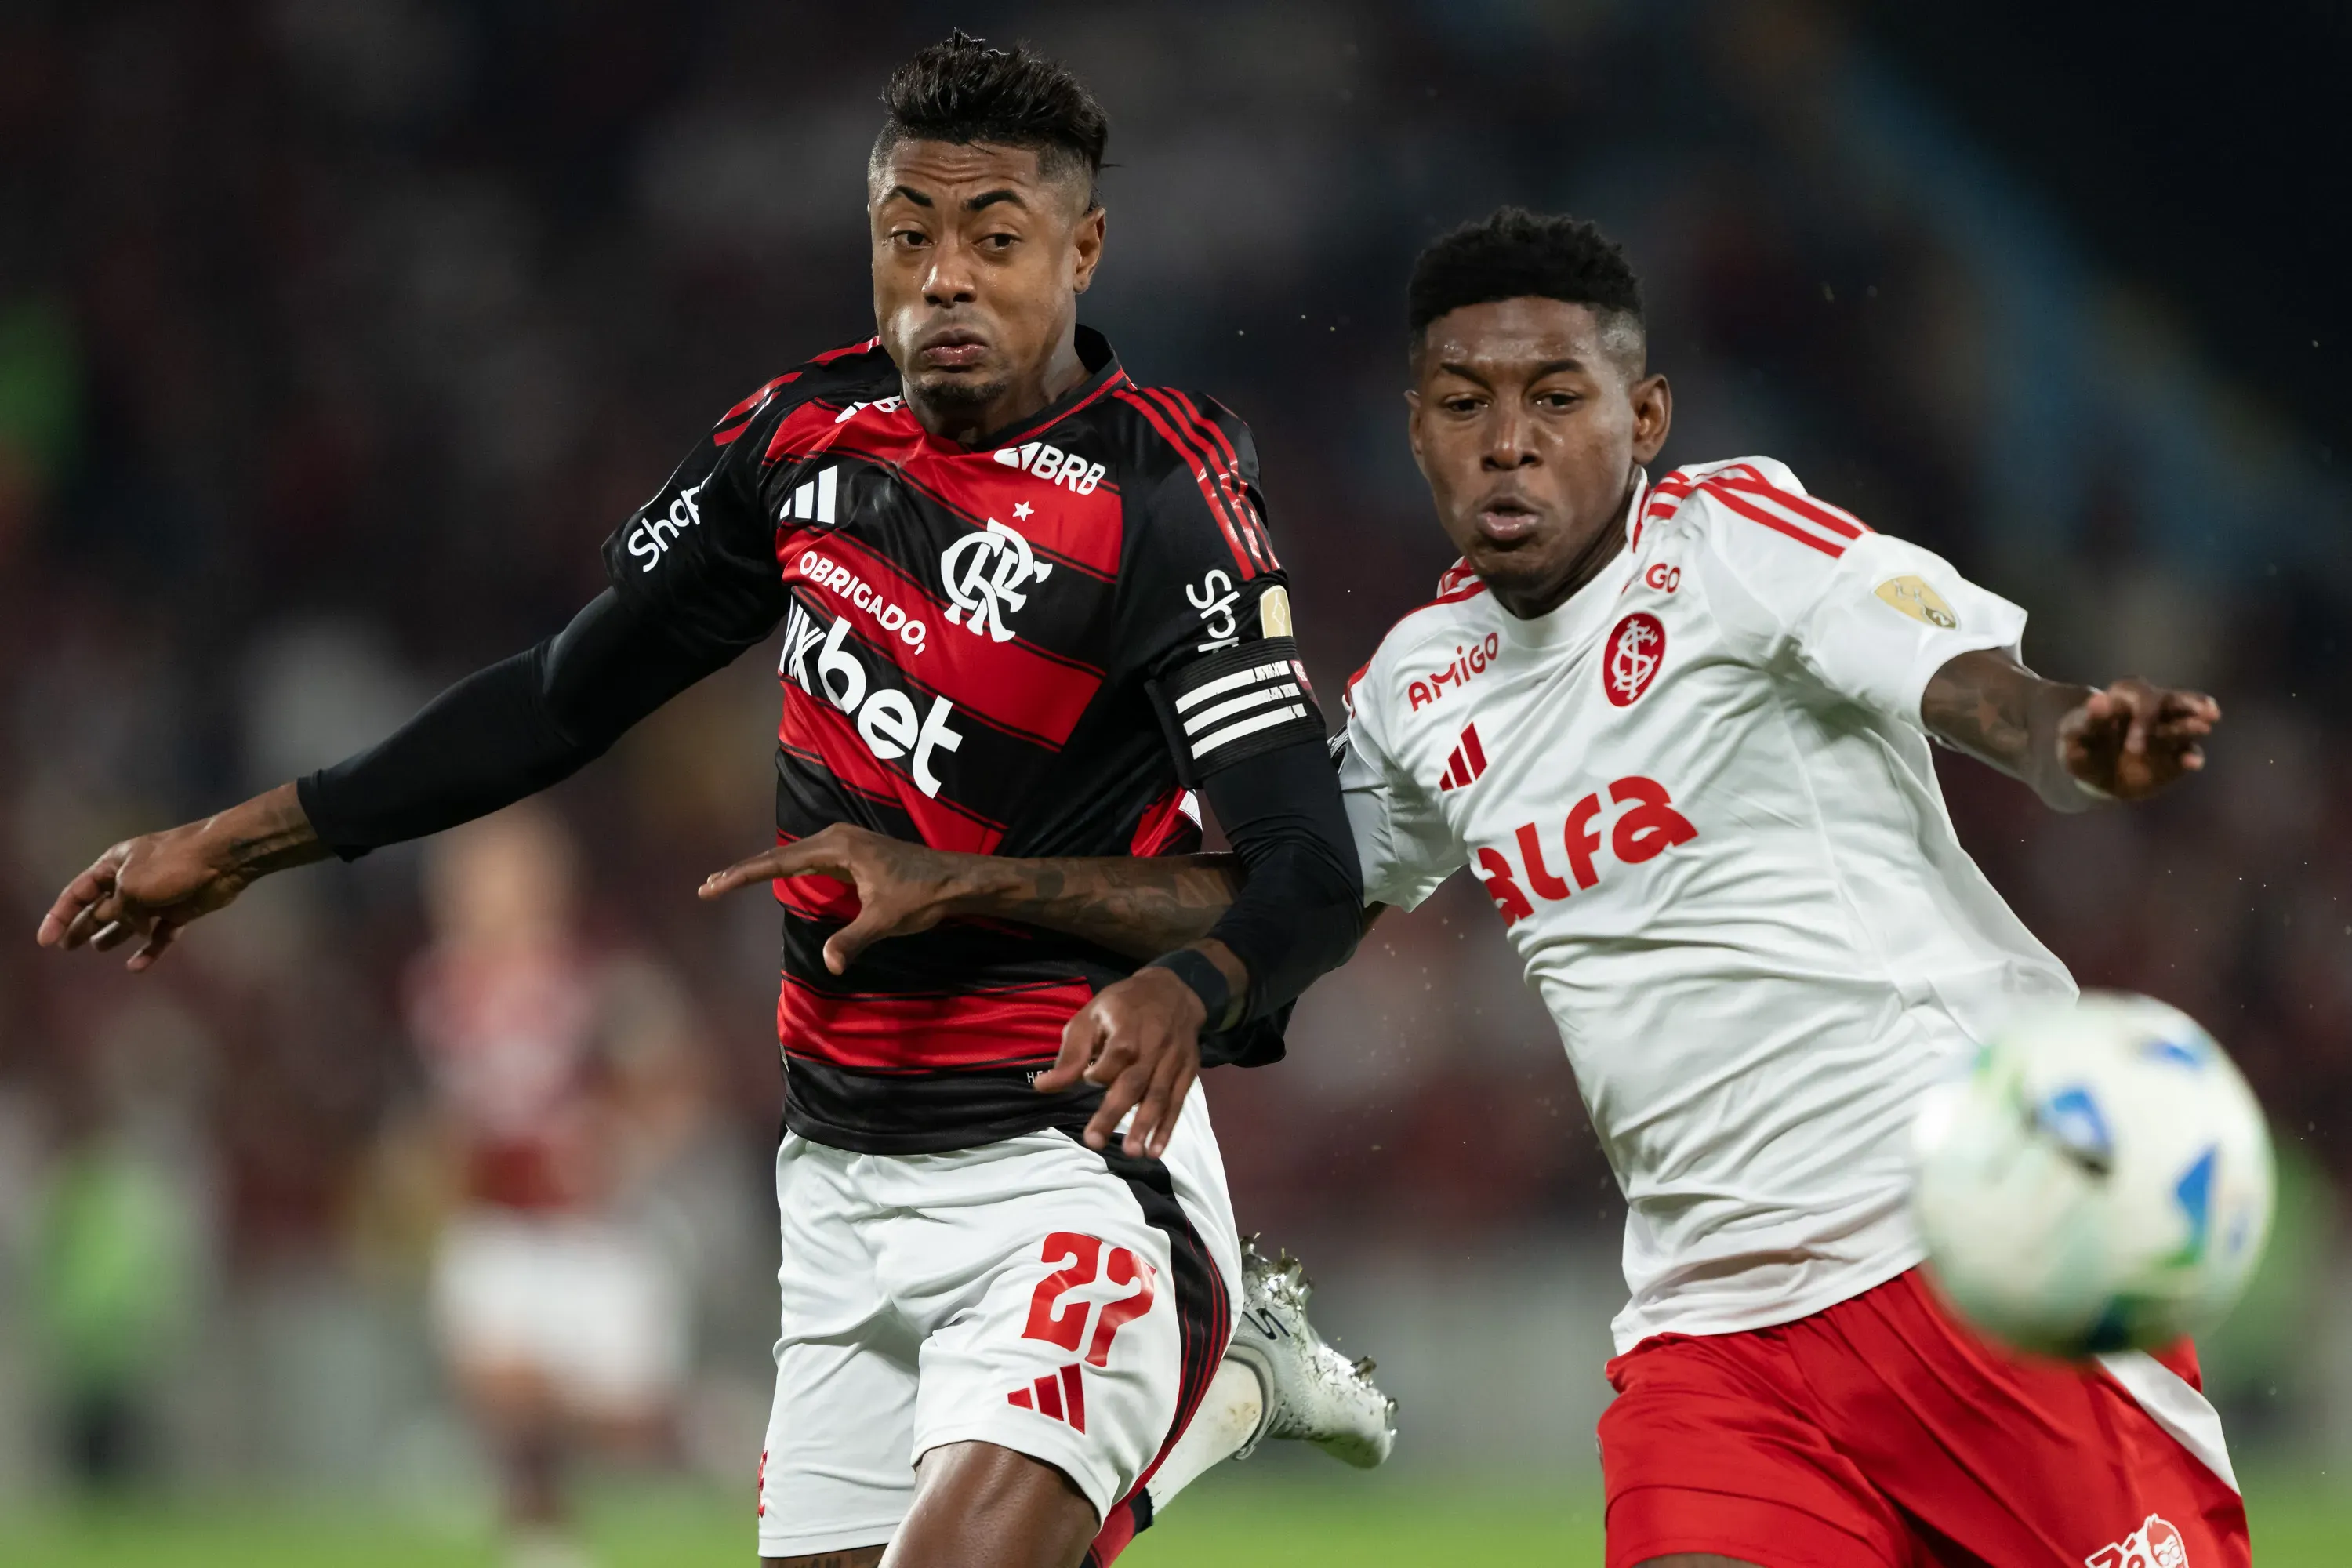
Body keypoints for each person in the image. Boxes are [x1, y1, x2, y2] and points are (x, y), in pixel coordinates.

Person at [34, 32, 1391, 1568]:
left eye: (994, 240)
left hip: (1067, 1183)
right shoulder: (803, 440)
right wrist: (236, 842)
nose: (942, 278)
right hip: (839, 1194)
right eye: (907, 236)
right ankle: (1219, 1409)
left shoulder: (1167, 504)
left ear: (1081, 250)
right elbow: (561, 696)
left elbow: (1305, 874)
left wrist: (1189, 984)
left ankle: (1197, 1375)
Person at [717, 207, 2244, 1568]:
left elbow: (1973, 686)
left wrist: (2071, 739)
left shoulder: (1734, 544)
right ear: (1419, 431)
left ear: (1644, 415)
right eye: (1465, 406)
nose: (1508, 439)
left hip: (1973, 1249)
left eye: (1557, 399)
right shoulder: (1424, 691)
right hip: (1716, 1339)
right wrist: (974, 888)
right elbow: (1274, 900)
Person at [407, 805, 706, 1568]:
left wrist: (622, 1148)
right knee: (501, 1389)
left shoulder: (598, 973)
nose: (477, 891)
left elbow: (672, 1077)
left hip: (590, 1230)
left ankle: (704, 1429)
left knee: (624, 1424)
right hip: (497, 1220)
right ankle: (541, 1542)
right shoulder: (436, 984)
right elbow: (455, 1110)